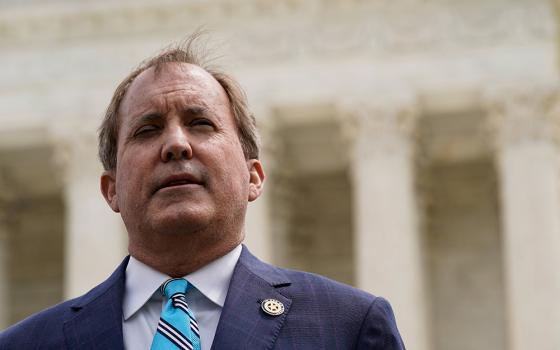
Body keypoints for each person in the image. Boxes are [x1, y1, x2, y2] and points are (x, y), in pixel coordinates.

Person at [0, 34, 405, 349]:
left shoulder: (348, 328)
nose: (176, 144)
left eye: (201, 123)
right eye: (147, 130)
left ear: (254, 177)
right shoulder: (25, 345)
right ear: (111, 191)